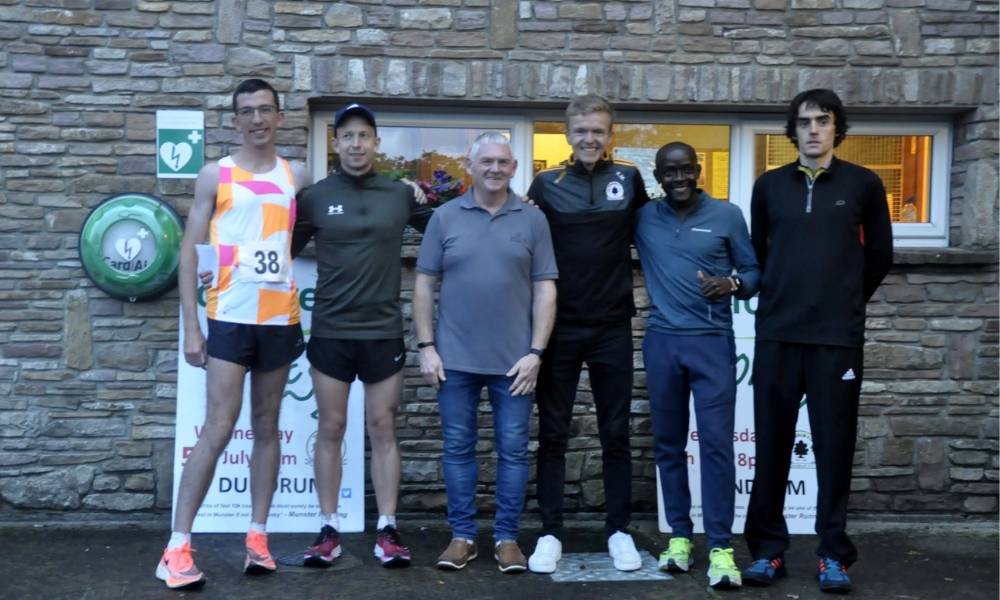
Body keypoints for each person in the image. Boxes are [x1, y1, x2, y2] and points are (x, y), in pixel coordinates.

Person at [157, 78, 311, 590]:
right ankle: (177, 548)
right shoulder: (214, 175)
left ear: (280, 116)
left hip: (280, 318)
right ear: (235, 120)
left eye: (265, 110)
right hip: (228, 316)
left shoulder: (298, 175)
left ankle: (258, 538)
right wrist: (191, 327)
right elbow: (189, 251)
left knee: (267, 427)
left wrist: (414, 193)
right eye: (247, 112)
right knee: (219, 428)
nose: (257, 119)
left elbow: (347, 208)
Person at [742, 89, 893, 594]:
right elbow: (760, 256)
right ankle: (767, 552)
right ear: (793, 130)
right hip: (778, 335)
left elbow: (880, 259)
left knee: (833, 450)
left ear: (836, 128)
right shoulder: (768, 187)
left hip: (835, 340)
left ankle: (833, 555)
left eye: (822, 121)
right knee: (772, 447)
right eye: (804, 122)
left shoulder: (864, 185)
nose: (812, 130)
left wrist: (844, 303)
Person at [292, 103, 432, 568]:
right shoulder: (314, 197)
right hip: (331, 330)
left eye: (364, 136)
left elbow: (450, 228)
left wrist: (511, 208)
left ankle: (387, 528)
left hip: (382, 331)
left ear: (376, 143)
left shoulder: (399, 195)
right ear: (336, 144)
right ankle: (327, 528)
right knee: (330, 428)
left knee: (382, 428)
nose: (356, 144)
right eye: (347, 136)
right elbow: (275, 245)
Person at [413, 132, 558, 574]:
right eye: (486, 161)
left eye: (503, 162)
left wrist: (536, 352)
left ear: (514, 168)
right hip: (453, 360)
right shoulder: (444, 217)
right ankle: (462, 537)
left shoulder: (533, 220)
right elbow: (424, 283)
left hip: (515, 363)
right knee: (458, 448)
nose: (495, 168)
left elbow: (545, 288)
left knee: (513, 451)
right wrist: (425, 346)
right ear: (470, 166)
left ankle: (508, 539)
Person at [526, 94, 650, 573]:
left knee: (615, 433)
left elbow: (656, 232)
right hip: (559, 329)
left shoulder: (629, 179)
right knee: (553, 434)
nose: (590, 139)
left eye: (598, 130)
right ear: (568, 133)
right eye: (582, 131)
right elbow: (524, 239)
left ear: (611, 134)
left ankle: (619, 531)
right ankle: (551, 532)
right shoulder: (546, 183)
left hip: (612, 327)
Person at [634, 142, 760, 590]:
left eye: (686, 169)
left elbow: (754, 272)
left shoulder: (727, 214)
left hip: (711, 343)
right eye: (670, 171)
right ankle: (680, 538)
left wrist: (732, 283)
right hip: (663, 342)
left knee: (716, 447)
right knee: (668, 446)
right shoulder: (644, 216)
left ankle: (722, 547)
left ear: (699, 170)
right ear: (658, 175)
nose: (679, 177)